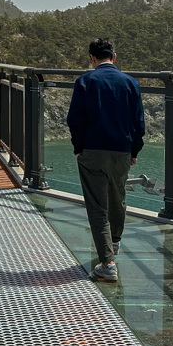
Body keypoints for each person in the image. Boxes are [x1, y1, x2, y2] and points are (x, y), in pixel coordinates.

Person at [66, 38, 145, 282]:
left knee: (97, 206)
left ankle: (108, 264)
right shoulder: (131, 83)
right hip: (121, 151)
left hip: (92, 151)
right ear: (114, 56)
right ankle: (115, 243)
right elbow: (138, 123)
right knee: (118, 197)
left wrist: (79, 148)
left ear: (92, 58)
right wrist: (133, 151)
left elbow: (74, 120)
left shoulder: (85, 81)